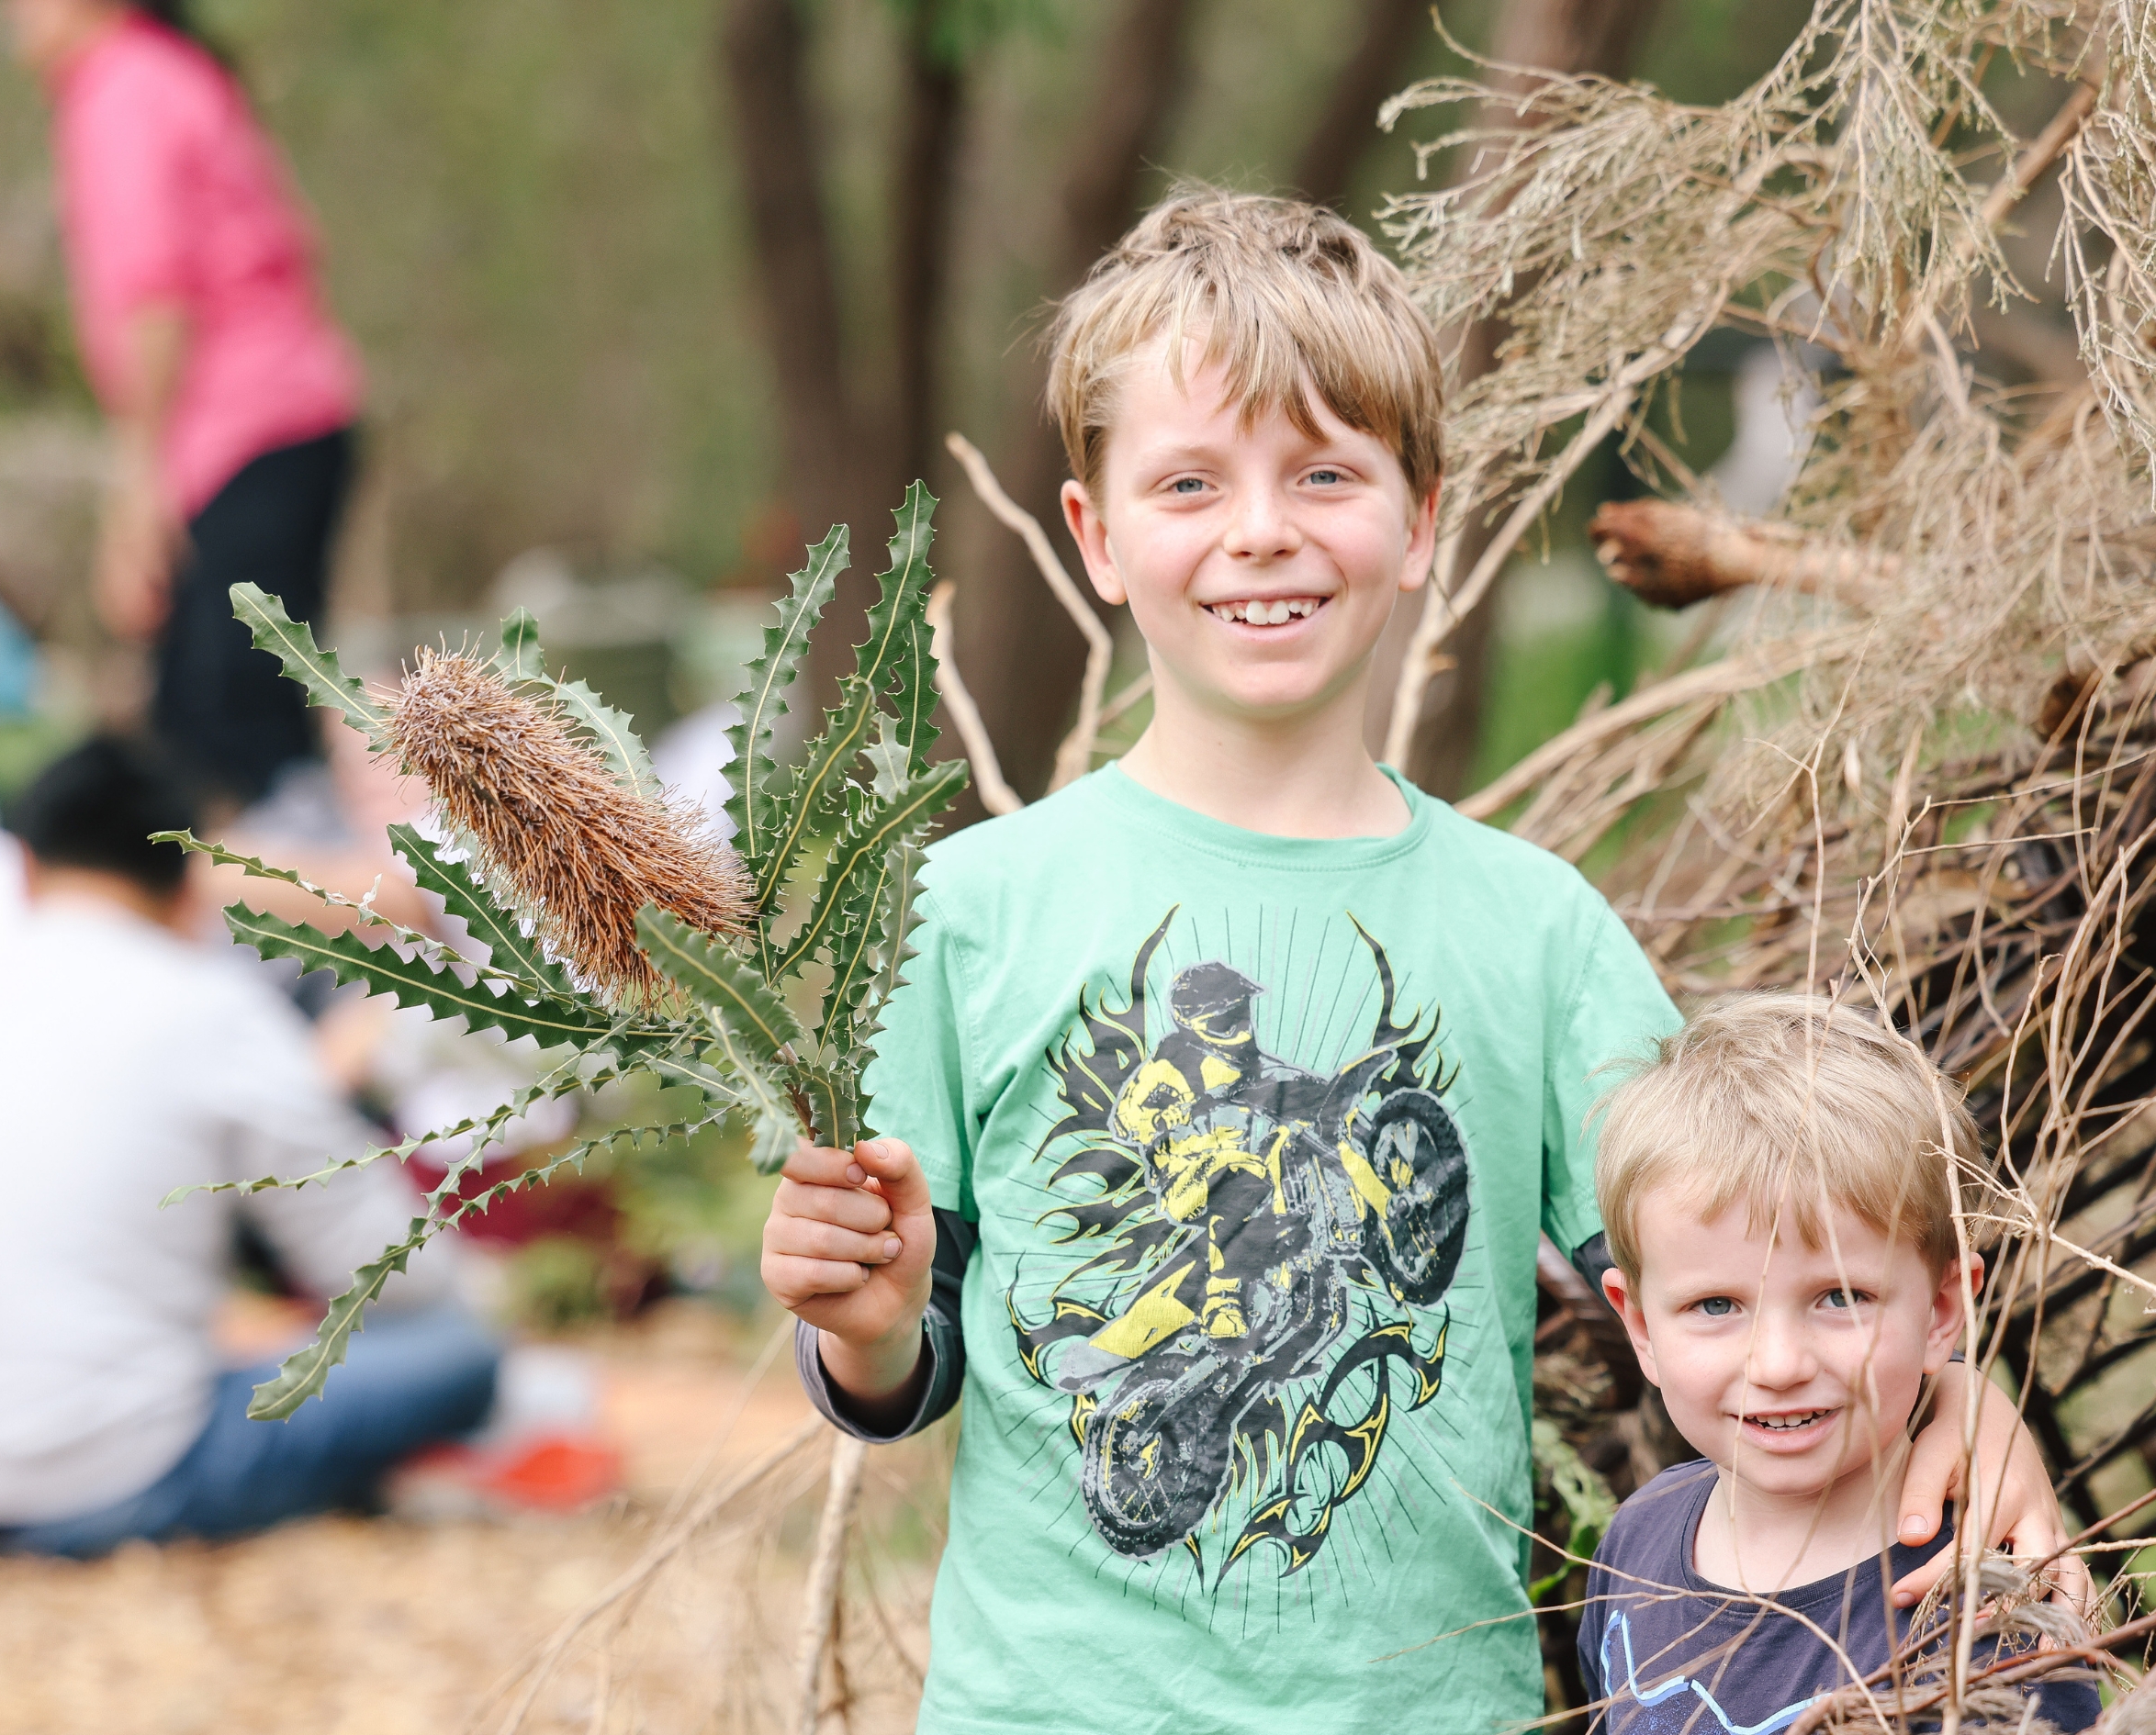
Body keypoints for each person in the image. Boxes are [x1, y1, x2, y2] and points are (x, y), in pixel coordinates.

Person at [758, 190, 2066, 1731]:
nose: (1262, 530)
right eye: (1190, 482)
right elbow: (900, 1366)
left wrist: (1961, 1395)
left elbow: (1757, 1250)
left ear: (1420, 518)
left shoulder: (1535, 929)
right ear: (1098, 537)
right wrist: (862, 1320)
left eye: (1324, 473)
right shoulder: (965, 911)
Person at [0, 736, 495, 1556]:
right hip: (124, 1479)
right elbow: (392, 1276)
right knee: (457, 1351)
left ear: (23, 872)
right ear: (191, 887)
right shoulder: (212, 1010)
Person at [1582, 994, 2102, 1735]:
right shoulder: (1634, 1541)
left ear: (1941, 1311)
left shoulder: (1987, 1613)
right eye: (1715, 1305)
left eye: (1841, 1297)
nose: (1779, 1364)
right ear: (1639, 1326)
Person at [11, 0, 364, 812]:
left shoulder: (123, 87)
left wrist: (138, 491)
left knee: (229, 746)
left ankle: (308, 889)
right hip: (281, 426)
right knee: (216, 727)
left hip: (246, 432)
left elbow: (158, 299)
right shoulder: (170, 73)